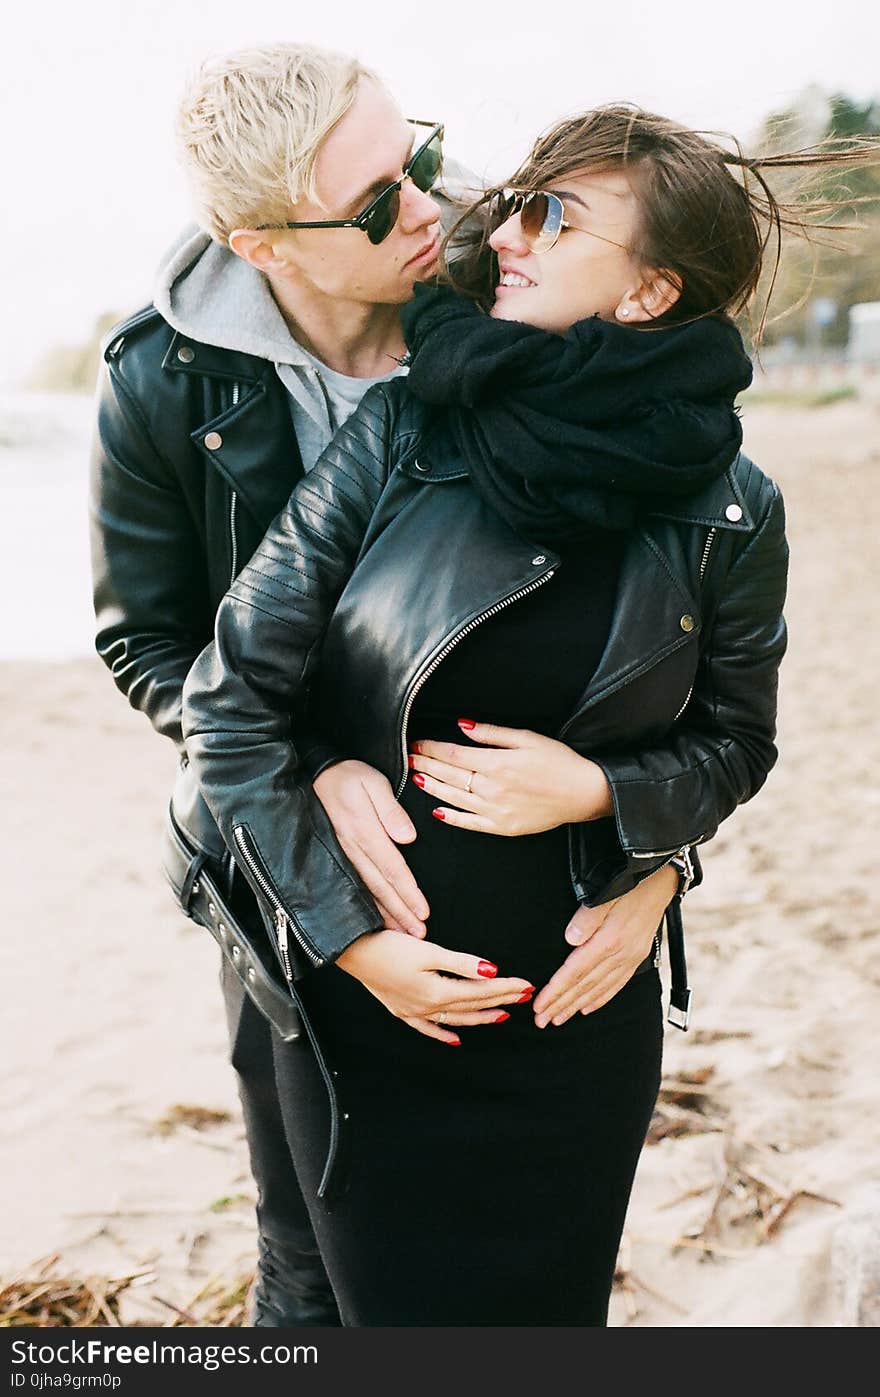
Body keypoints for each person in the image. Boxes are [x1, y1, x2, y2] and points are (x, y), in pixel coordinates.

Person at [180, 101, 867, 1325]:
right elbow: (230, 707)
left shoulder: (733, 505)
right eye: (518, 202)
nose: (507, 232)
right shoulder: (404, 429)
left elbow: (737, 742)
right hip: (369, 1020)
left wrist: (608, 797)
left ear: (650, 294)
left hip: (580, 1020)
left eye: (556, 216)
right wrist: (357, 942)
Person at [90, 41, 486, 1325]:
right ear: (264, 243)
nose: (431, 207)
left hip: (506, 829)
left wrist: (640, 830)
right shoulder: (158, 380)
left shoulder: (508, 288)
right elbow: (143, 643)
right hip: (270, 846)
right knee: (309, 1240)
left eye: (416, 155)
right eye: (378, 203)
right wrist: (312, 763)